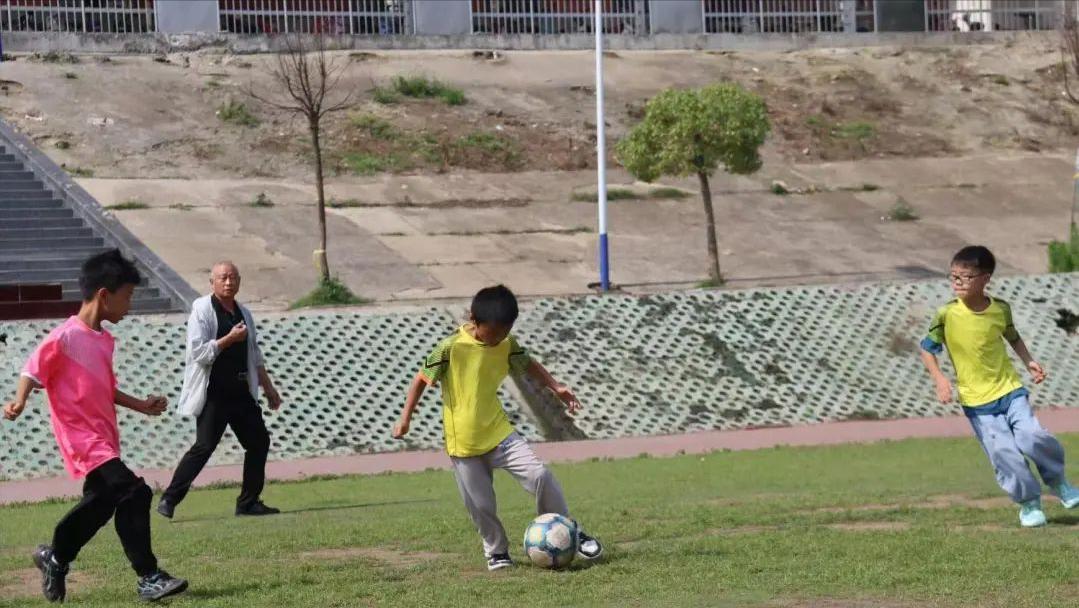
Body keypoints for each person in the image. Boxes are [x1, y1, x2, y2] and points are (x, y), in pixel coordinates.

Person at [2, 249, 188, 602]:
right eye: (128, 296)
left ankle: (55, 557)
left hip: (103, 438)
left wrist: (141, 406)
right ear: (105, 295)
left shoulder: (102, 340)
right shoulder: (66, 336)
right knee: (135, 491)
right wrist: (20, 400)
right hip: (81, 439)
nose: (130, 304)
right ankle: (149, 576)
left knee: (103, 503)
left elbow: (104, 388)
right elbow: (32, 368)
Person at [392, 284, 603, 570]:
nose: (499, 339)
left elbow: (528, 364)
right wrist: (406, 419)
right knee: (481, 505)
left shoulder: (506, 344)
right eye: (493, 333)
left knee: (539, 474)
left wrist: (556, 387)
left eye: (505, 332)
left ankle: (568, 529)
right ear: (475, 321)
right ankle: (497, 551)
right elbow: (420, 379)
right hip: (463, 445)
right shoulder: (451, 348)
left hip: (500, 434)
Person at [919, 245, 1079, 527]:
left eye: (965, 277)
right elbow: (927, 349)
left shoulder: (1000, 309)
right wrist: (940, 379)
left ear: (985, 278)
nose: (957, 283)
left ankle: (1060, 483)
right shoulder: (946, 315)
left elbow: (1012, 337)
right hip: (977, 402)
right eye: (953, 276)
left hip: (1010, 390)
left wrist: (1029, 361)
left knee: (1033, 437)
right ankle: (1029, 504)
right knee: (1004, 453)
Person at [157, 261, 283, 519]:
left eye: (233, 278)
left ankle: (248, 502)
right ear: (212, 282)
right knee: (204, 447)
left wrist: (269, 388)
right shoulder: (202, 310)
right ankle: (169, 498)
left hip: (240, 391)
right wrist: (229, 339)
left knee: (259, 442)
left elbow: (254, 354)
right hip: (213, 391)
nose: (229, 282)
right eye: (223, 278)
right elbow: (199, 353)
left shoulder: (244, 313)